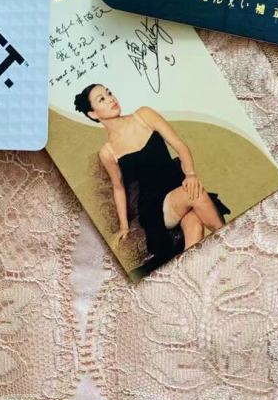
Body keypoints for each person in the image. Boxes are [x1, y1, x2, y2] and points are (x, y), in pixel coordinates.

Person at [74, 83, 230, 266]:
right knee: (194, 194)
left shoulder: (144, 115)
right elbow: (118, 187)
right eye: (102, 99)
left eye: (109, 93)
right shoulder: (107, 152)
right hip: (155, 205)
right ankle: (229, 242)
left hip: (177, 184)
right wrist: (124, 226)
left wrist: (190, 174)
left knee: (194, 223)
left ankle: (192, 269)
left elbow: (179, 145)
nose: (110, 99)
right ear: (93, 114)